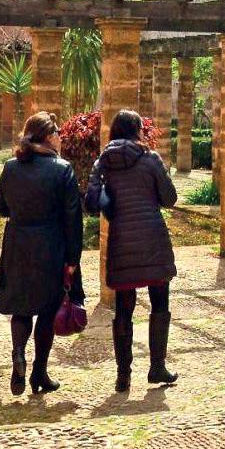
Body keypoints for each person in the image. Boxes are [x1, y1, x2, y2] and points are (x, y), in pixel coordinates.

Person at [86, 109, 179, 393]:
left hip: (121, 240)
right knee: (160, 302)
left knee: (124, 308)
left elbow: (91, 202)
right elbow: (170, 198)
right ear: (138, 130)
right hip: (152, 239)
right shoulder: (151, 159)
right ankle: (157, 367)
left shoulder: (103, 161)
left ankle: (123, 375)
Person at [0, 112, 84, 395]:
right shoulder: (62, 169)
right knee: (47, 310)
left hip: (18, 243)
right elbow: (73, 219)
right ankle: (39, 372)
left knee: (21, 308)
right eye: (57, 132)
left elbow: (1, 208)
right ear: (47, 136)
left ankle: (18, 353)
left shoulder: (11, 167)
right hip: (51, 245)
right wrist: (73, 259)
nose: (60, 137)